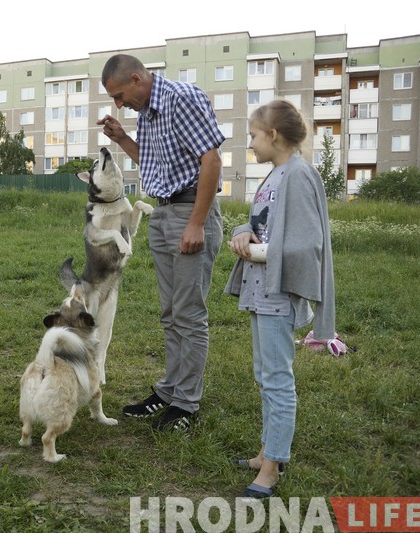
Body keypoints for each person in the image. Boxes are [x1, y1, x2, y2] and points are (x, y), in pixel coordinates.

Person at [98, 54, 225, 432]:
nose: (119, 104)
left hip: (190, 213)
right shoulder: (149, 112)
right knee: (170, 313)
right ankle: (169, 391)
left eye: (120, 95)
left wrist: (197, 223)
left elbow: (212, 161)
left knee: (189, 314)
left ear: (137, 79)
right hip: (163, 213)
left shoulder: (182, 98)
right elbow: (153, 164)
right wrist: (122, 138)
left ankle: (186, 404)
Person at [225, 99, 335, 498]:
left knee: (277, 381)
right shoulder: (275, 174)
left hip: (278, 291)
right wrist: (244, 231)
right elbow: (266, 223)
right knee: (264, 375)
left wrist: (262, 251)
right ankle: (266, 452)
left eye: (254, 135)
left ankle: (271, 469)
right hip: (261, 290)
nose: (251, 143)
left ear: (273, 135)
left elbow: (308, 243)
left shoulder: (300, 175)